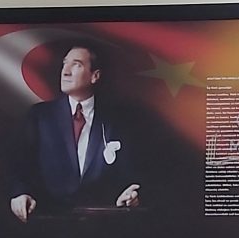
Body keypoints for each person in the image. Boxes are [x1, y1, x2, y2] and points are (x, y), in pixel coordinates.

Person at [10, 44, 141, 220]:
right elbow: (19, 165)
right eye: (65, 64)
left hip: (102, 222)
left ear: (95, 76)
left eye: (76, 65)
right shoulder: (40, 116)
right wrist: (20, 193)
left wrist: (129, 194)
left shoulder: (117, 120)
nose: (65, 72)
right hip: (49, 221)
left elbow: (130, 174)